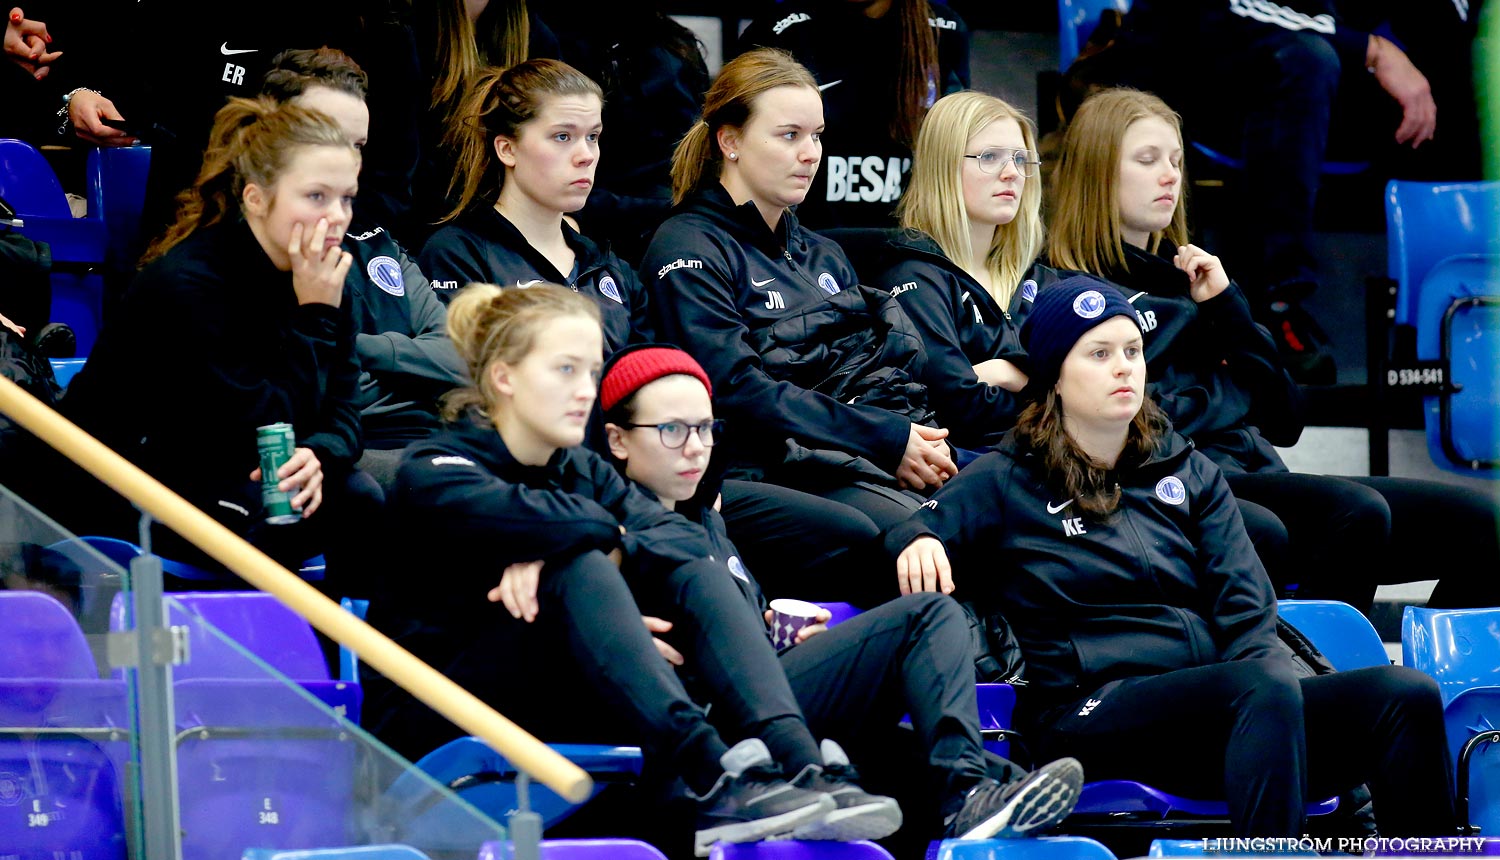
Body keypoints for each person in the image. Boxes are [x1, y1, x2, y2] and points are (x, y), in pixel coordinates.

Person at [887, 275, 1458, 838]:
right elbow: (912, 528)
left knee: (1403, 695)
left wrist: (1272, 704)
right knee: (1260, 686)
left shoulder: (1189, 471)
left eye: (1132, 350)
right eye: (1100, 353)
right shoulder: (1006, 478)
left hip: (1224, 707)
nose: (1123, 367)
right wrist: (918, 539)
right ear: (1055, 377)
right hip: (1091, 716)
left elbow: (1246, 608)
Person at [371, 283, 901, 856]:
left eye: (592, 372)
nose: (586, 393)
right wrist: (591, 546)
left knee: (690, 570)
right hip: (437, 721)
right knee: (579, 566)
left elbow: (680, 538)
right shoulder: (436, 468)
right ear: (504, 378)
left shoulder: (579, 470)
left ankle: (797, 759)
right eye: (566, 370)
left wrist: (594, 548)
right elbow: (555, 523)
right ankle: (707, 767)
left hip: (559, 699)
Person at [598, 342, 1084, 846]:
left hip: (772, 712)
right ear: (616, 440)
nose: (696, 447)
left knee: (923, 754)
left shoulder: (705, 519)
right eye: (672, 430)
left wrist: (767, 630)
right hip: (710, 739)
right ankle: (968, 794)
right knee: (927, 618)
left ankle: (984, 790)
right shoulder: (600, 530)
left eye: (704, 429)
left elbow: (723, 634)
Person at [1046, 87, 1500, 613]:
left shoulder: (1197, 282)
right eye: (1147, 161)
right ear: (1098, 173)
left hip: (1260, 475)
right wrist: (1230, 396)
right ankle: (1324, 680)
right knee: (1355, 513)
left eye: (1175, 160)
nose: (1170, 175)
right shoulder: (1073, 295)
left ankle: (1440, 683)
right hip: (1182, 489)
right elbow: (1144, 426)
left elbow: (1285, 417)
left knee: (1482, 526)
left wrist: (1229, 306)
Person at [640, 47, 957, 605]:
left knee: (1017, 490)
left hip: (860, 452)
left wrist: (911, 436)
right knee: (921, 541)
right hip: (766, 468)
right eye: (789, 135)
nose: (810, 154)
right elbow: (736, 389)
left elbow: (873, 369)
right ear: (730, 141)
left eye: (816, 135)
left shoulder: (822, 250)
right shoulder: (689, 245)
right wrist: (885, 439)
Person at [57, 97, 378, 585]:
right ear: (256, 198)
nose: (336, 217)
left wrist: (319, 455)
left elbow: (345, 411)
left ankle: (348, 659)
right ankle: (257, 651)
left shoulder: (325, 275)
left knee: (360, 496)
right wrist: (314, 316)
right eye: (316, 197)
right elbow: (259, 426)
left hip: (242, 472)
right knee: (285, 511)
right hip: (133, 484)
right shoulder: (190, 286)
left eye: (347, 198)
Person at [1097, 0, 1476, 383]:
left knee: (1452, 76)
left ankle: (1434, 328)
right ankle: (1270, 304)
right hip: (1185, 61)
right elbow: (1240, 8)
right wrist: (1374, 50)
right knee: (1307, 60)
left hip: (1293, 66)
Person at [259, 48, 467, 489]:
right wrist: (412, 370)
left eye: (357, 146)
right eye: (325, 136)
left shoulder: (374, 237)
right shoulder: (256, 254)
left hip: (420, 439)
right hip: (358, 454)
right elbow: (310, 404)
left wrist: (358, 350)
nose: (349, 161)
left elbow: (459, 357)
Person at [418, 59, 653, 356]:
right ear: (508, 149)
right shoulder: (459, 255)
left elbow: (646, 378)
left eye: (592, 136)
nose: (586, 156)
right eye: (563, 136)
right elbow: (463, 378)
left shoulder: (611, 268)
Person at [875, 90, 1061, 450]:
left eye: (1021, 159)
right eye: (990, 157)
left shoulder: (1039, 277)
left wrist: (1003, 374)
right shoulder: (913, 276)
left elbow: (1095, 390)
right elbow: (958, 406)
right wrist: (1048, 392)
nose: (1011, 173)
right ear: (943, 166)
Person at [738, 0, 970, 228]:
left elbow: (959, 141)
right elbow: (737, 136)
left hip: (907, 240)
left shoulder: (944, 29)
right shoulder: (782, 27)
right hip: (802, 239)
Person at [549, 3, 711, 265]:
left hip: (678, 210)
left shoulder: (675, 43)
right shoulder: (561, 42)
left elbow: (699, 137)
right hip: (597, 216)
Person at [409, 0, 559, 242]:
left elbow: (557, 139)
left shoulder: (536, 36)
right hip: (433, 225)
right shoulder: (411, 32)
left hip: (510, 220)